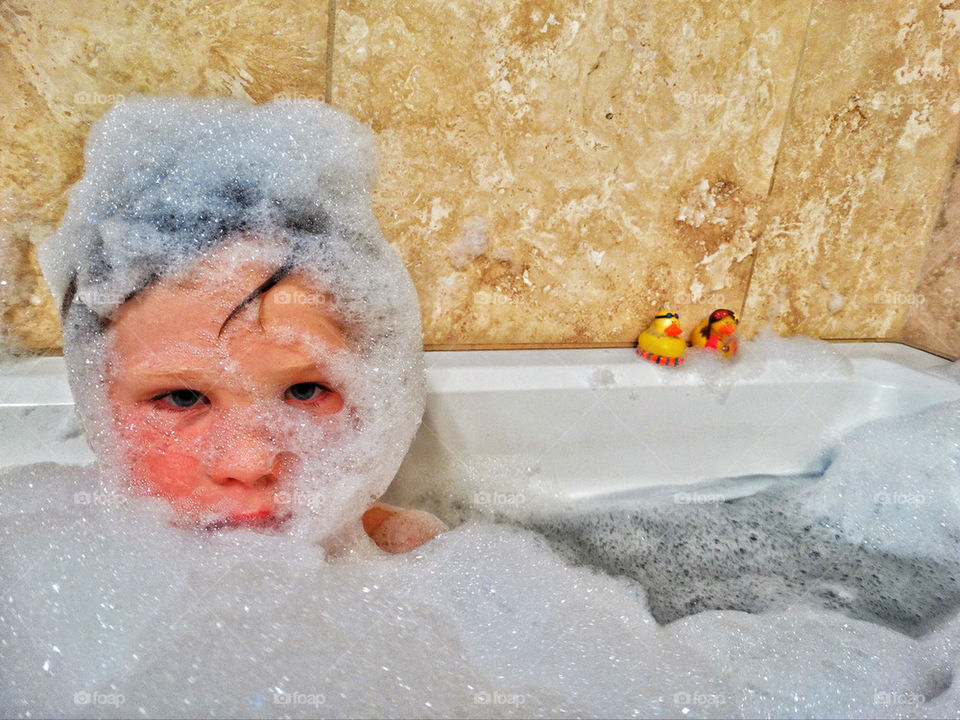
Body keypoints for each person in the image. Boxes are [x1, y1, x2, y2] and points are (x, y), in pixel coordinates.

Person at [38, 95, 445, 553]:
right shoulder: (44, 550)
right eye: (182, 397)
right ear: (97, 405)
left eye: (305, 391)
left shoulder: (405, 558)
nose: (250, 463)